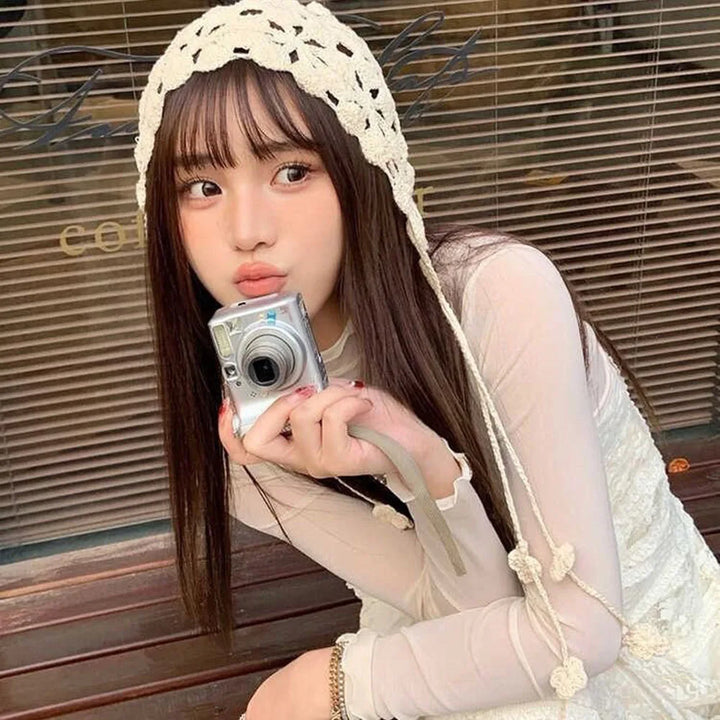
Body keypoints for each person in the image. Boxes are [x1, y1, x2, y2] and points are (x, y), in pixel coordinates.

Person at [134, 1, 720, 718]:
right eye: (203, 188)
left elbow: (582, 631)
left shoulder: (495, 293)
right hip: (485, 645)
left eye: (291, 170)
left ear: (363, 172)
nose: (247, 231)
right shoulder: (248, 445)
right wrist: (419, 470)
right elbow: (470, 613)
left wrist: (327, 682)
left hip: (650, 658)